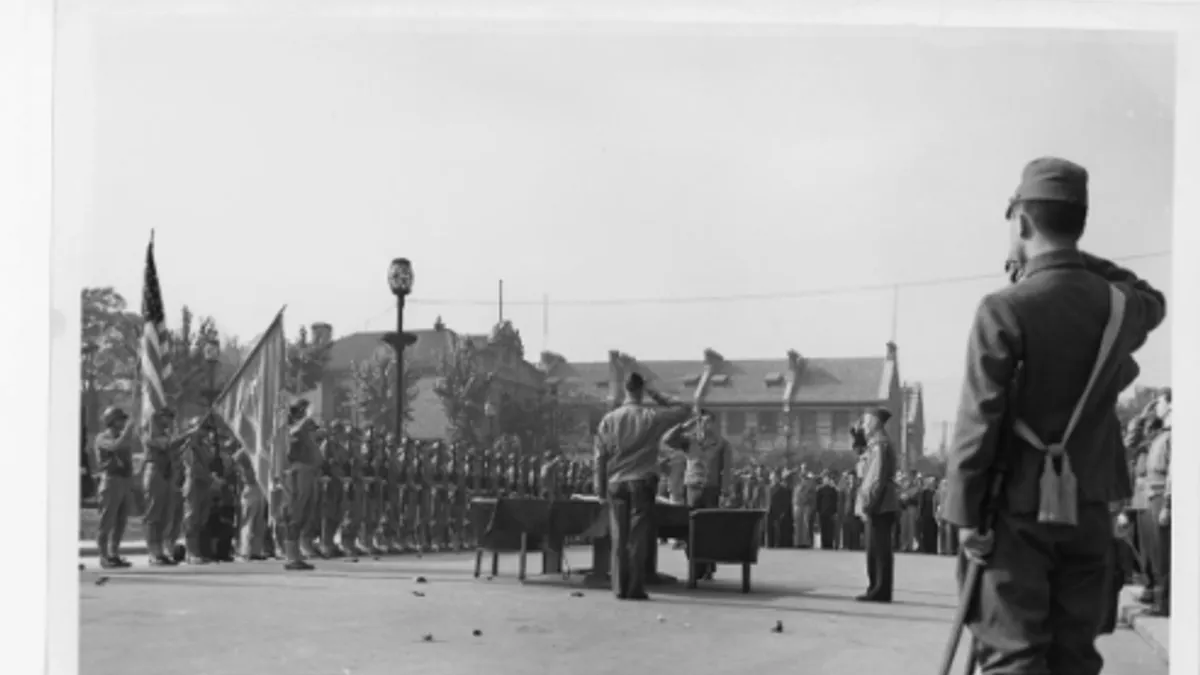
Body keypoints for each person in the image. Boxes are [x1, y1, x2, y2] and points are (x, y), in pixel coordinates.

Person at [943, 157, 1166, 675]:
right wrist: (1071, 258)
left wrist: (964, 516)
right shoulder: (1118, 305)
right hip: (1087, 511)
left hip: (1014, 513)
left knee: (1013, 657)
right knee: (1075, 658)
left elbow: (977, 420)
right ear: (1078, 225)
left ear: (1021, 221)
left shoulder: (1002, 308)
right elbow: (1154, 298)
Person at [593, 372, 691, 600]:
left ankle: (619, 587)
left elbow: (599, 456)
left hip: (616, 482)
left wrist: (599, 489)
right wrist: (655, 393)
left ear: (625, 390)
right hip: (642, 481)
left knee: (619, 536)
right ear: (640, 390)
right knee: (637, 538)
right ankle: (635, 587)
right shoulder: (651, 416)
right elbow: (684, 409)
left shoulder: (609, 419)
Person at [855, 408, 899, 603]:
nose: (863, 426)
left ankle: (880, 590)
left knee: (879, 549)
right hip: (881, 501)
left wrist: (868, 501)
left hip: (880, 502)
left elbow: (876, 477)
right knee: (875, 548)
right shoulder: (875, 445)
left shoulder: (879, 445)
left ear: (874, 423)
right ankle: (876, 587)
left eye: (865, 422)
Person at [93, 406, 137, 568]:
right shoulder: (102, 437)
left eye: (124, 420)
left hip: (124, 481)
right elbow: (114, 447)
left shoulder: (123, 437)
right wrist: (127, 432)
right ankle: (103, 555)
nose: (123, 422)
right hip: (110, 481)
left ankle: (114, 553)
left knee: (121, 520)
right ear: (111, 421)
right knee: (107, 520)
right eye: (120, 419)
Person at [282, 399, 322, 571]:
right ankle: (291, 557)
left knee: (304, 515)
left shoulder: (305, 431)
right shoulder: (293, 430)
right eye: (302, 411)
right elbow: (293, 433)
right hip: (298, 474)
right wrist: (305, 418)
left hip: (309, 473)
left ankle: (296, 554)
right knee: (295, 515)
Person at [815, 472, 839, 550]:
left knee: (830, 529)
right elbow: (818, 501)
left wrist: (835, 511)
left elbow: (835, 501)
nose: (826, 480)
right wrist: (818, 510)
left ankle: (830, 543)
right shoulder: (820, 490)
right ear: (823, 480)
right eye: (825, 479)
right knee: (823, 528)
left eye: (828, 479)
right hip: (822, 512)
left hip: (831, 512)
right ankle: (824, 543)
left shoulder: (833, 490)